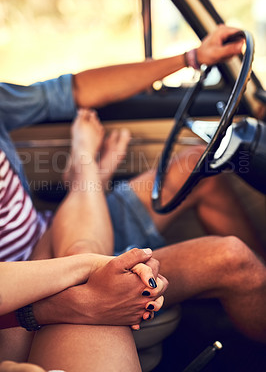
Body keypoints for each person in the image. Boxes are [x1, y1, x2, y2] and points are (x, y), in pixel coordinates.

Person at [1, 24, 266, 371]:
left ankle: (88, 178)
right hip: (25, 289)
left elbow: (72, 90)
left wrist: (192, 58)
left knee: (196, 167)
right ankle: (87, 176)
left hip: (50, 237)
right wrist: (64, 296)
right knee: (233, 259)